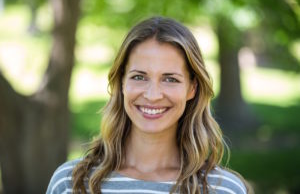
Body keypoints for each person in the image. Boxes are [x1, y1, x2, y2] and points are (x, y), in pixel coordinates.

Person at [46, 16, 250, 194]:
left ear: (192, 88)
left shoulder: (224, 189)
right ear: (122, 82)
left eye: (170, 79)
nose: (153, 96)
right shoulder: (71, 183)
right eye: (139, 77)